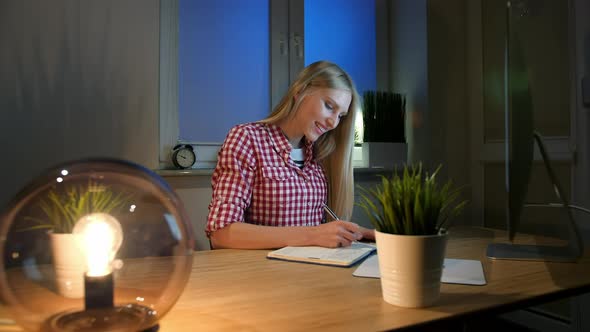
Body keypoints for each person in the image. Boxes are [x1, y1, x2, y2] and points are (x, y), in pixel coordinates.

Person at [205, 60, 375, 249]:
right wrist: (313, 234)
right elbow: (221, 234)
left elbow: (320, 231)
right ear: (300, 92)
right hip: (263, 273)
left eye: (341, 115)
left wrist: (367, 234)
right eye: (329, 106)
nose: (333, 123)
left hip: (312, 271)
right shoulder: (247, 139)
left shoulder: (320, 153)